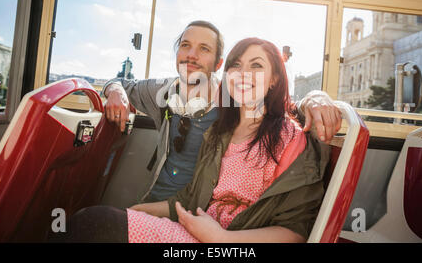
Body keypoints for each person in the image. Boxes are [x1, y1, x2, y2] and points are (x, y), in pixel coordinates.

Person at [54, 37, 330, 243]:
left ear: (274, 79)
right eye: (236, 65)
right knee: (92, 220)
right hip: (193, 231)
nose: (243, 73)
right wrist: (138, 210)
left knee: (93, 226)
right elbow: (191, 197)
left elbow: (295, 232)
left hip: (229, 243)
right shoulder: (220, 132)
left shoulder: (291, 138)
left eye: (256, 66)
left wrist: (221, 239)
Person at [103, 20, 341, 203]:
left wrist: (315, 97)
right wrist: (115, 92)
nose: (191, 55)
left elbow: (284, 107)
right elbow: (119, 83)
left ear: (218, 64)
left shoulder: (235, 97)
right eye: (185, 46)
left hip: (201, 208)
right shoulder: (163, 90)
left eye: (204, 49)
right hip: (156, 200)